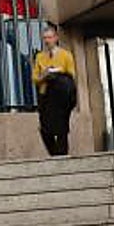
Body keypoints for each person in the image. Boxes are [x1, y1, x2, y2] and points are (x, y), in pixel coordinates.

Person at [32, 24, 76, 156]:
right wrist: (44, 75)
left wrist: (57, 72)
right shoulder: (40, 57)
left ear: (56, 38)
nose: (47, 41)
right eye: (45, 38)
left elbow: (71, 74)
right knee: (45, 129)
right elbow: (35, 78)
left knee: (62, 129)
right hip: (46, 95)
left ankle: (62, 156)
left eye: (50, 37)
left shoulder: (66, 55)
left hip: (61, 96)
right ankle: (55, 154)